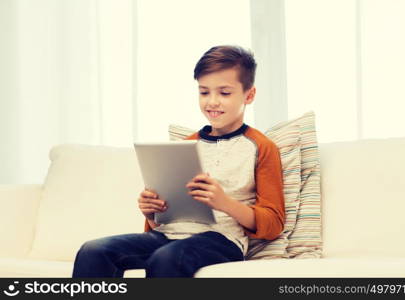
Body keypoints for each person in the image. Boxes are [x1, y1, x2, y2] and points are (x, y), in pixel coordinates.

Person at [72, 45, 285, 278]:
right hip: (168, 235)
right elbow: (159, 223)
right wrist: (151, 211)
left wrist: (224, 202)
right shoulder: (184, 145)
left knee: (167, 257)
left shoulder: (261, 147)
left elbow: (273, 223)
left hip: (222, 240)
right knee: (93, 251)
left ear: (249, 95)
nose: (212, 101)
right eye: (204, 92)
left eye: (224, 93)